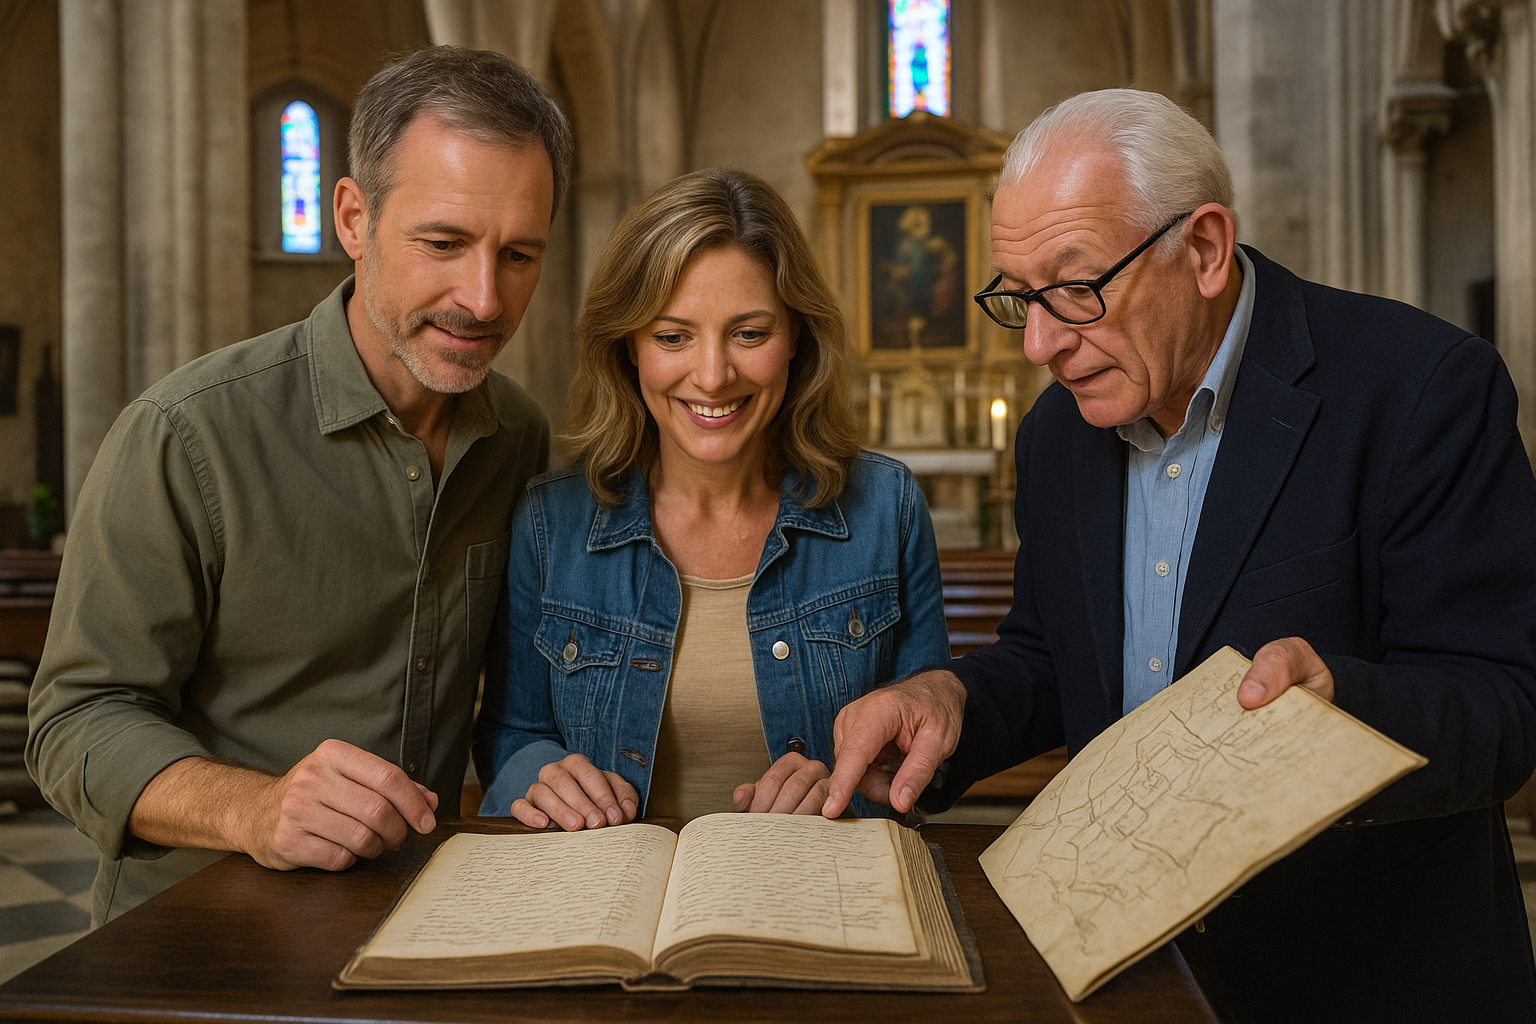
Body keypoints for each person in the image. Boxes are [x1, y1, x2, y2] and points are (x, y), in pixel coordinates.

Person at [821, 89, 1536, 1023]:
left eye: (1076, 288)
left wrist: (1341, 712)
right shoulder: (1057, 435)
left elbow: (1506, 703)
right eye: (1017, 297)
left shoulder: (1417, 387)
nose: (1041, 343)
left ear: (1201, 248)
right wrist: (947, 701)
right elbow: (1050, 656)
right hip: (1126, 972)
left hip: (1359, 974)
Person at [26, 46, 571, 924]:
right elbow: (74, 725)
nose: (483, 298)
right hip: (194, 933)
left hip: (419, 916)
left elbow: (512, 709)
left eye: (519, 255)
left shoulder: (521, 438)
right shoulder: (186, 433)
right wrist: (254, 809)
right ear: (352, 217)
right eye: (443, 243)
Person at [473, 168, 949, 829]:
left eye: (750, 333)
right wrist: (539, 778)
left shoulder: (884, 508)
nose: (713, 375)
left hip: (825, 898)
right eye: (672, 337)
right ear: (628, 349)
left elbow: (927, 753)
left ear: (798, 340)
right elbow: (510, 731)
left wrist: (849, 795)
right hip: (608, 906)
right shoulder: (552, 523)